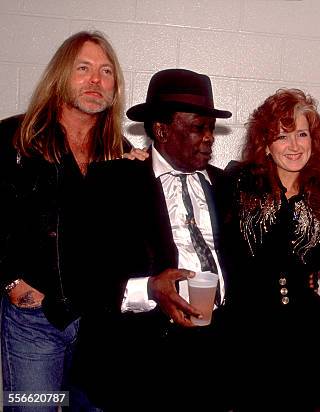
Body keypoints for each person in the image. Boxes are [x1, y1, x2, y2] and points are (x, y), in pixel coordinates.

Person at [71, 68, 234, 411]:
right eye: (197, 128)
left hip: (214, 364)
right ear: (161, 130)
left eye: (210, 129)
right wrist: (150, 289)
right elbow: (83, 277)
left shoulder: (227, 186)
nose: (209, 138)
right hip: (136, 364)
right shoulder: (111, 184)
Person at [0, 31, 130, 411]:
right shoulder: (14, 138)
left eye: (106, 72)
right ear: (61, 76)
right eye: (84, 68)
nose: (95, 80)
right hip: (35, 322)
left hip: (100, 330)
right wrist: (10, 281)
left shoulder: (120, 154)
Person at [224, 89, 320, 410]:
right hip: (248, 336)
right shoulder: (237, 184)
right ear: (266, 144)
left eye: (302, 134)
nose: (294, 146)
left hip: (303, 338)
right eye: (282, 136)